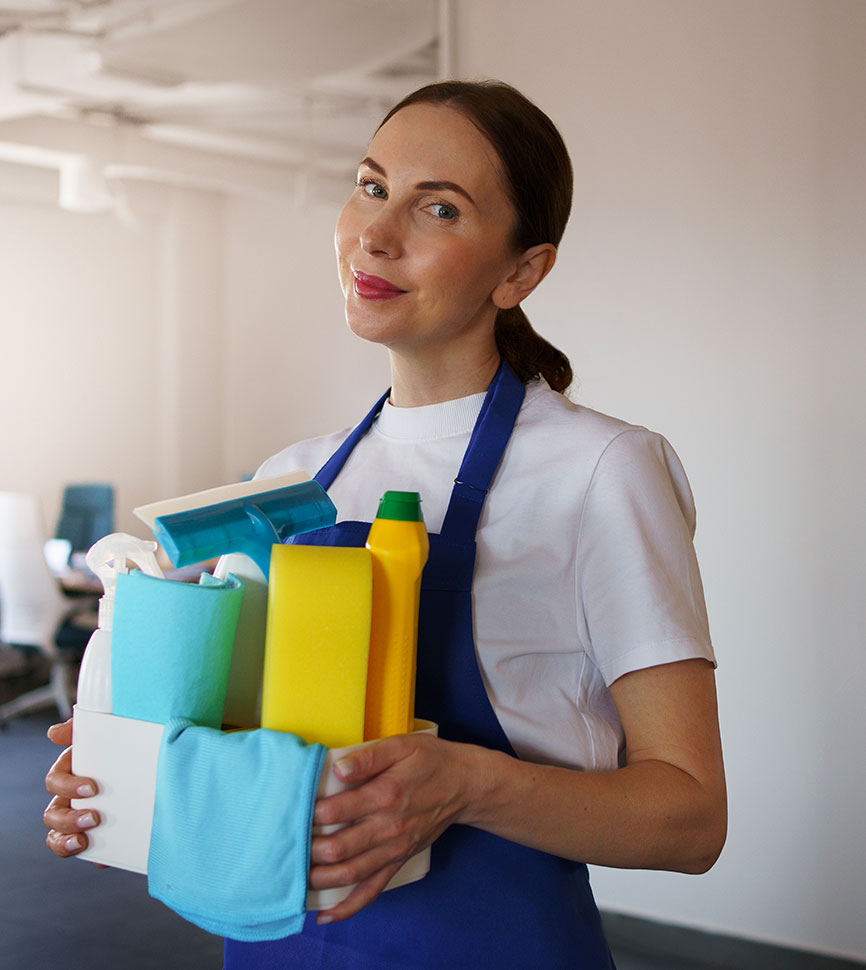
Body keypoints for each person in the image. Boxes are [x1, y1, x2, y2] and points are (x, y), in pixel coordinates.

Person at [44, 80, 726, 969]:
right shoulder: (287, 478)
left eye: (438, 208)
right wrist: (135, 778)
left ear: (521, 273)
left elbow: (691, 819)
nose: (375, 234)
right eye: (372, 187)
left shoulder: (601, 469)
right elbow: (249, 754)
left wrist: (467, 785)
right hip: (279, 944)